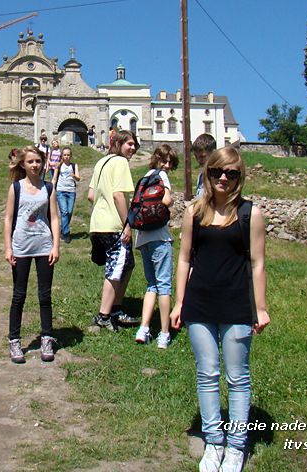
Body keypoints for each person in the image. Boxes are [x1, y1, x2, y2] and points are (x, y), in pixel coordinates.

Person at [170, 146, 270, 472]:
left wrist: (261, 307)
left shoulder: (250, 214)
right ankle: (214, 441)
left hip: (237, 304)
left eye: (231, 173)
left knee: (238, 376)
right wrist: (179, 303)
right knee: (207, 372)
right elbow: (184, 258)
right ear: (208, 173)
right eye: (217, 172)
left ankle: (237, 445)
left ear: (240, 177)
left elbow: (257, 264)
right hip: (200, 303)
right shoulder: (194, 213)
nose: (223, 178)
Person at [3, 145, 61, 364]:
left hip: (44, 246)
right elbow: (8, 219)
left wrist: (56, 245)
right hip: (21, 247)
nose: (35, 165)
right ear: (23, 165)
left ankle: (47, 337)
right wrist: (8, 247)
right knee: (19, 296)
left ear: (43, 162)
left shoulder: (49, 188)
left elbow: (54, 218)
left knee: (45, 296)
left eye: (38, 161)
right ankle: (15, 340)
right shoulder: (16, 188)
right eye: (30, 162)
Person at [88, 129, 140, 331]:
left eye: (134, 145)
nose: (133, 148)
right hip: (113, 224)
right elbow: (119, 195)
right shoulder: (120, 163)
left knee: (127, 265)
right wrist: (127, 223)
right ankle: (103, 315)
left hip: (97, 223)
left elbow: (91, 195)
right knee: (115, 269)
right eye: (129, 144)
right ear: (118, 144)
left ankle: (116, 308)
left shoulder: (101, 163)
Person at [134, 144, 179, 349]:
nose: (168, 166)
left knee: (151, 284)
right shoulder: (162, 176)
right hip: (160, 237)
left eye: (170, 162)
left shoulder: (144, 177)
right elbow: (167, 200)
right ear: (159, 160)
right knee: (164, 285)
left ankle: (143, 328)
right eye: (166, 161)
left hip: (142, 236)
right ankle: (164, 333)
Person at [53, 147, 81, 243]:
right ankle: (66, 233)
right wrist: (52, 189)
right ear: (62, 156)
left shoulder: (74, 165)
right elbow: (54, 178)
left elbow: (78, 178)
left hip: (71, 191)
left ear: (71, 156)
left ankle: (62, 229)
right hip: (61, 191)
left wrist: (74, 176)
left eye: (68, 155)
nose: (66, 156)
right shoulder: (59, 165)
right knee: (64, 212)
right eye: (64, 155)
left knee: (69, 212)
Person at [192, 133, 217, 199]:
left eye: (202, 157)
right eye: (196, 157)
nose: (199, 160)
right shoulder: (201, 175)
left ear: (213, 153)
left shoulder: (218, 176)